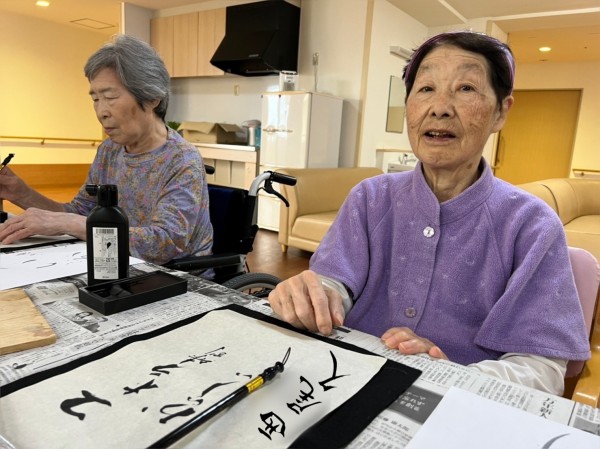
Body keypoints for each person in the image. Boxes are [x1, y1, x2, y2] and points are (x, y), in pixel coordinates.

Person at [268, 31, 590, 395]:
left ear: (501, 111)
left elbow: (542, 369)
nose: (440, 108)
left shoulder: (531, 225)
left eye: (466, 88)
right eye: (425, 89)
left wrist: (447, 375)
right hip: (343, 384)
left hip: (456, 408)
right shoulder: (370, 197)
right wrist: (311, 296)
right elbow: (334, 284)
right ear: (409, 105)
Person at [0, 35, 212, 265]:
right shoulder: (109, 151)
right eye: (95, 99)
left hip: (175, 274)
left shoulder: (182, 160)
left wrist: (70, 223)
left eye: (110, 97)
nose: (101, 112)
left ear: (152, 98)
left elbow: (164, 243)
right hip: (116, 263)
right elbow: (80, 212)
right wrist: (19, 193)